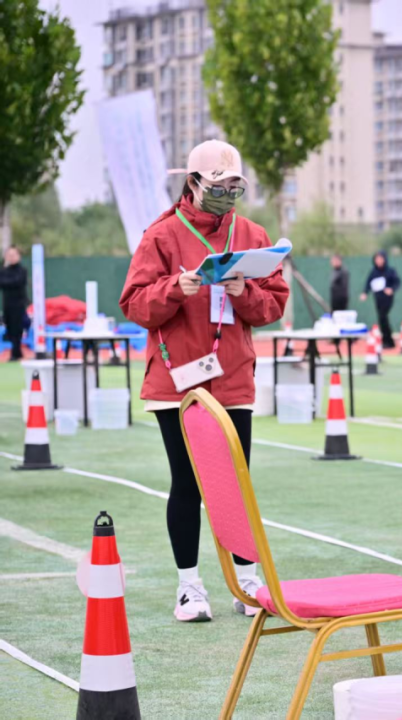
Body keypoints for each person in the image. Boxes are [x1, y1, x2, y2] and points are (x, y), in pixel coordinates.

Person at [119, 140, 289, 623]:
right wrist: (175, 287)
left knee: (237, 481)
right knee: (187, 483)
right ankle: (189, 588)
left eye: (235, 186)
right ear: (192, 183)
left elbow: (274, 304)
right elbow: (134, 304)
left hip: (232, 378)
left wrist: (244, 291)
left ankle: (247, 582)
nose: (227, 194)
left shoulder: (252, 234)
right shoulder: (162, 235)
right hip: (177, 382)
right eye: (218, 185)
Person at [360, 250, 400, 349]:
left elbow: (397, 282)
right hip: (378, 298)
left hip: (387, 298)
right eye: (377, 259)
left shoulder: (390, 271)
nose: (378, 261)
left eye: (380, 259)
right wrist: (365, 293)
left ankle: (388, 340)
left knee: (383, 317)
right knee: (381, 318)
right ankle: (386, 340)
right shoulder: (374, 272)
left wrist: (391, 289)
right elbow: (368, 283)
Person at [0, 247, 28, 361]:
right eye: (9, 255)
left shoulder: (22, 270)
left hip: (19, 304)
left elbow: (17, 282)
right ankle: (16, 352)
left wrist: (7, 282)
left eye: (13, 255)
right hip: (7, 304)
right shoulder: (4, 271)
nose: (11, 257)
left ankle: (16, 353)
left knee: (18, 328)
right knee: (10, 328)